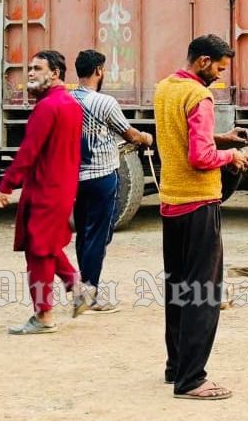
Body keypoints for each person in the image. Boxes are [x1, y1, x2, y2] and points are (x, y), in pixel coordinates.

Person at [153, 35, 248, 401]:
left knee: (178, 289)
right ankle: (192, 379)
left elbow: (181, 139)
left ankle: (175, 366)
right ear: (203, 61)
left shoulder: (165, 88)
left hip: (171, 204)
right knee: (203, 293)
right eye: (219, 69)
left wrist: (221, 139)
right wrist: (231, 157)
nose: (220, 77)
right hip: (199, 204)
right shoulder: (200, 96)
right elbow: (199, 157)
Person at [0, 50, 84, 334]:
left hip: (46, 188)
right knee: (45, 244)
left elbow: (28, 152)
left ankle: (44, 316)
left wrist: (6, 185)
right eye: (29, 68)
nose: (30, 73)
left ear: (55, 73)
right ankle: (77, 287)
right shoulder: (69, 104)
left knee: (38, 251)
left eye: (37, 68)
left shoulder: (47, 107)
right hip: (61, 187)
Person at [70, 49, 153, 313]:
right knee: (99, 236)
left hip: (75, 177)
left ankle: (82, 288)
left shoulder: (67, 100)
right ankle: (90, 293)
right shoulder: (105, 103)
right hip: (102, 176)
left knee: (83, 234)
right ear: (98, 71)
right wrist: (146, 138)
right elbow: (128, 134)